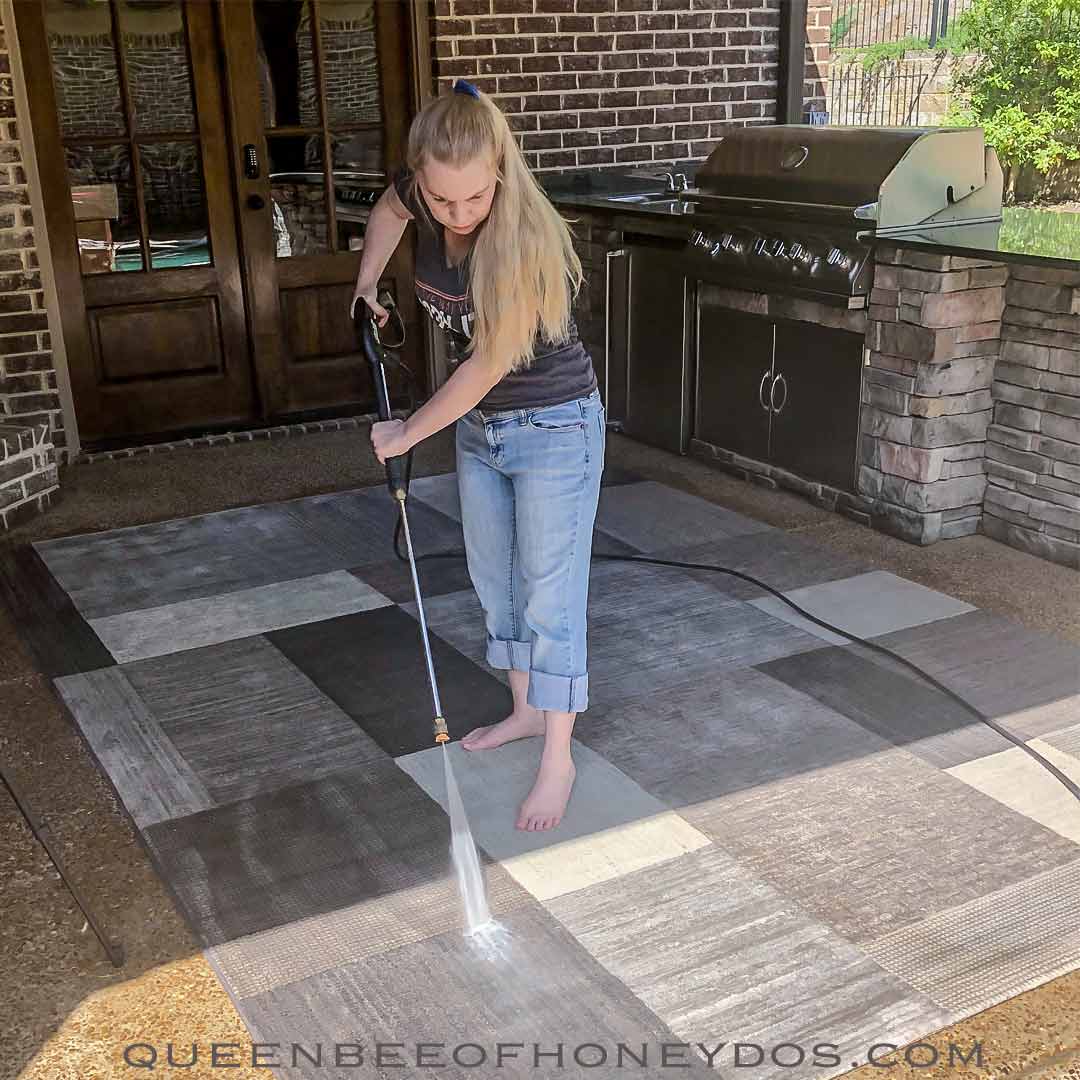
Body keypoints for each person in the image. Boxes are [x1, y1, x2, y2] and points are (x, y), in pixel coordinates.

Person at [351, 78, 605, 833]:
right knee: (495, 579)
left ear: (500, 170)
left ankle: (558, 755)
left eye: (474, 199)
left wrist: (405, 434)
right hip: (484, 430)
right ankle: (528, 711)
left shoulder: (525, 236)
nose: (457, 214)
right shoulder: (417, 194)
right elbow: (390, 211)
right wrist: (366, 281)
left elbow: (485, 363)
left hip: (555, 427)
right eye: (443, 201)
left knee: (550, 595)